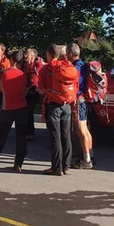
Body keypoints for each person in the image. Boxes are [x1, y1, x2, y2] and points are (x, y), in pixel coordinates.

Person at [0, 50, 29, 172]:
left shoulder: (4, 73)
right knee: (21, 136)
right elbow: (25, 90)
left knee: (1, 136)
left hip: (7, 106)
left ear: (12, 60)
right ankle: (18, 163)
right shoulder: (23, 75)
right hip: (21, 107)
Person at [38, 44, 79, 176]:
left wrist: (47, 92)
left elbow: (41, 88)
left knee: (55, 137)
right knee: (66, 135)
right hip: (67, 104)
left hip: (53, 104)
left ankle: (56, 167)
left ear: (49, 54)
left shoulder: (47, 68)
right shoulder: (69, 67)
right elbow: (76, 85)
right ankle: (66, 166)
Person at [66, 43, 94, 169]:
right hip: (83, 99)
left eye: (67, 54)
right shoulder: (82, 65)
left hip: (78, 99)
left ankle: (86, 160)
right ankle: (89, 155)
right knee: (85, 129)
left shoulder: (76, 68)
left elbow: (73, 83)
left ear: (71, 54)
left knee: (81, 129)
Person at [22, 48, 45, 141]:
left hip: (35, 89)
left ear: (33, 56)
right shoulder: (24, 65)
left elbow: (43, 67)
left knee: (28, 109)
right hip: (26, 89)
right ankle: (28, 130)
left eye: (27, 54)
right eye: (25, 54)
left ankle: (30, 132)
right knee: (27, 111)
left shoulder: (37, 64)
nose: (25, 56)